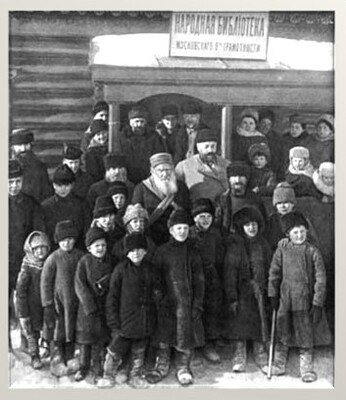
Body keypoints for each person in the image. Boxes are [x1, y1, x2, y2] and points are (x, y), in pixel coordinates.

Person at [265, 211, 331, 382]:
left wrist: (317, 302)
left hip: (305, 300)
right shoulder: (282, 249)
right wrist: (272, 294)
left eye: (302, 231)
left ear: (307, 231)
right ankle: (279, 364)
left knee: (305, 332)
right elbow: (274, 273)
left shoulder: (312, 251)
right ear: (287, 234)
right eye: (295, 232)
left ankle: (306, 368)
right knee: (283, 330)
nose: (299, 235)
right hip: (286, 299)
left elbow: (321, 278)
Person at [146, 209, 205, 387]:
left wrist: (197, 304)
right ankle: (161, 366)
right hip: (166, 302)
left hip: (185, 303)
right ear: (171, 230)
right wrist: (159, 296)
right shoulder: (162, 252)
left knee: (184, 334)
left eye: (185, 228)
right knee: (164, 334)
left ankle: (183, 367)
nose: (182, 232)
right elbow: (155, 277)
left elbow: (200, 281)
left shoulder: (193, 252)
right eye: (178, 228)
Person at [97, 233, 161, 389]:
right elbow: (112, 297)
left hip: (144, 319)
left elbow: (158, 292)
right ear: (126, 253)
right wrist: (113, 321)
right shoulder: (120, 270)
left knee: (139, 351)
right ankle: (108, 375)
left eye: (140, 250)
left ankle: (135, 375)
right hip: (124, 320)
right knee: (115, 349)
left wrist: (155, 305)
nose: (136, 253)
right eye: (132, 251)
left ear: (145, 251)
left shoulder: (150, 269)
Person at [223, 206, 271, 373]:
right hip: (241, 292)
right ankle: (240, 350)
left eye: (254, 224)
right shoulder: (235, 246)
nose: (252, 228)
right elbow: (229, 273)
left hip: (260, 290)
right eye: (247, 225)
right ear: (241, 228)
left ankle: (259, 350)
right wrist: (232, 297)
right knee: (241, 319)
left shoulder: (262, 244)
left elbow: (271, 267)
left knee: (260, 319)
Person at [8, 160, 46, 351]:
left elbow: (38, 232)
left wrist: (32, 255)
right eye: (9, 182)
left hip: (25, 262)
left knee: (27, 301)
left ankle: (27, 339)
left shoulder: (30, 204)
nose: (13, 186)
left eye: (17, 181)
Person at [40, 220, 84, 377]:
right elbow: (45, 283)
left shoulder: (80, 256)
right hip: (59, 304)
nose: (67, 242)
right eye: (63, 239)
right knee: (58, 331)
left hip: (77, 302)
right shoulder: (53, 259)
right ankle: (56, 358)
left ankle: (71, 356)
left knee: (73, 329)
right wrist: (48, 305)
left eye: (71, 239)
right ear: (57, 240)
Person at [74, 226, 114, 382]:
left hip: (104, 306)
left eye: (103, 245)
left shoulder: (110, 261)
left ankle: (97, 368)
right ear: (89, 248)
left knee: (99, 339)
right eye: (96, 246)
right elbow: (80, 285)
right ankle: (83, 367)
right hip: (87, 310)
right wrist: (89, 305)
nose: (100, 249)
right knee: (86, 341)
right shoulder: (84, 262)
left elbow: (114, 279)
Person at [189, 198, 224, 363]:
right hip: (193, 277)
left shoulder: (215, 234)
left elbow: (220, 255)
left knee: (212, 308)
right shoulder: (189, 233)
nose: (205, 220)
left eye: (208, 217)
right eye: (201, 216)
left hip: (211, 276)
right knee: (195, 310)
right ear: (195, 218)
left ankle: (209, 342)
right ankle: (196, 345)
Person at [132, 152, 190, 246]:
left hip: (178, 236)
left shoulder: (181, 187)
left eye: (168, 169)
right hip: (152, 237)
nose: (165, 174)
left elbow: (188, 210)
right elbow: (136, 215)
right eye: (160, 170)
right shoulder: (141, 188)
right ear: (152, 170)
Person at [15, 231, 51, 369]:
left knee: (48, 328)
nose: (41, 251)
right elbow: (20, 292)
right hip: (32, 306)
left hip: (46, 304)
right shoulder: (27, 267)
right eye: (37, 248)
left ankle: (48, 350)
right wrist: (22, 312)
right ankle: (35, 355)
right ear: (30, 250)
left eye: (43, 247)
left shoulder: (49, 263)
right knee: (32, 333)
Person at [41, 164, 91, 250]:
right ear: (54, 185)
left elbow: (87, 230)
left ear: (72, 185)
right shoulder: (46, 206)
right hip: (54, 251)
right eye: (59, 186)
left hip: (79, 249)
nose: (63, 189)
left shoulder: (82, 204)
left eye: (66, 185)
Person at [175, 128, 230, 203]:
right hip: (198, 210)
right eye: (206, 147)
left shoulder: (227, 165)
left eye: (213, 146)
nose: (210, 150)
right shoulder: (184, 166)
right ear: (198, 147)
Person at [214, 161, 266, 236]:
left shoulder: (255, 199)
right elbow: (217, 226)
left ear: (247, 179)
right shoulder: (222, 200)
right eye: (234, 176)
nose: (237, 180)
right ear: (229, 179)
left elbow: (262, 225)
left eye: (241, 176)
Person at [118, 105, 166, 184]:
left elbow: (159, 155)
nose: (139, 124)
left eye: (142, 121)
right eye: (136, 121)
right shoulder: (123, 137)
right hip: (128, 176)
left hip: (149, 176)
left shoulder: (153, 137)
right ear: (130, 122)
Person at [9, 128, 52, 202]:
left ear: (31, 145)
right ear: (12, 147)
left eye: (26, 144)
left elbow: (46, 195)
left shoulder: (39, 167)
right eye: (19, 145)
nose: (23, 149)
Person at [258, 108, 285, 180]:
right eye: (263, 123)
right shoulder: (253, 136)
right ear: (258, 123)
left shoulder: (276, 139)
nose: (265, 126)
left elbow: (280, 160)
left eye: (268, 124)